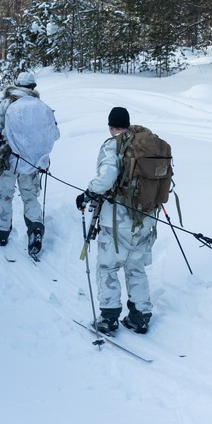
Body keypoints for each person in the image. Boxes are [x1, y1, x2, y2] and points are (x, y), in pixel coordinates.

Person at [76, 107, 157, 335]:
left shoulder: (113, 144)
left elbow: (107, 177)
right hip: (146, 218)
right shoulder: (145, 144)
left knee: (108, 266)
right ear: (128, 124)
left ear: (111, 126)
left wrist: (88, 194)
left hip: (117, 220)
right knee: (136, 267)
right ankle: (139, 317)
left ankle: (109, 318)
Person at [0, 71, 59, 256]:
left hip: (8, 158)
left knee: (5, 195)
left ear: (16, 84)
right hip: (32, 160)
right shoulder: (42, 107)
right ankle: (36, 229)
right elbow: (55, 134)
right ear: (33, 87)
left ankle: (2, 233)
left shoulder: (6, 103)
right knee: (30, 197)